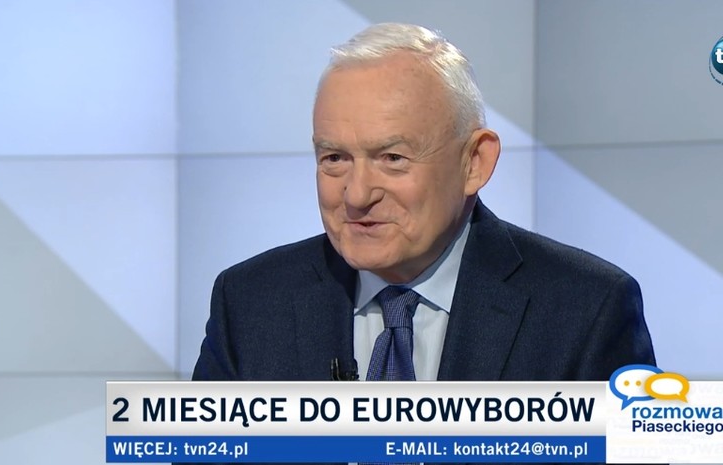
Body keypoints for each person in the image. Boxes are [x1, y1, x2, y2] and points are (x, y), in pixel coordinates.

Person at [192, 23, 655, 384]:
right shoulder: (250, 303)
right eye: (334, 158)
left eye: (392, 158)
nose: (357, 195)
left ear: (474, 162)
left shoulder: (586, 310)